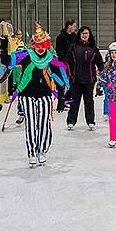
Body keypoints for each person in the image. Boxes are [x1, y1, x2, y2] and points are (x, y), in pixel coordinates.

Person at [8, 22, 69, 167]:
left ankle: (42, 150)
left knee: (43, 124)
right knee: (30, 124)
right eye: (37, 44)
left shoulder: (51, 58)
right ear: (33, 44)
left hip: (45, 95)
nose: (40, 48)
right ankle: (32, 152)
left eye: (43, 44)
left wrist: (61, 96)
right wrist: (5, 43)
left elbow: (59, 76)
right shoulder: (25, 55)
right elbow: (8, 61)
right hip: (27, 95)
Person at [65, 26, 104, 130]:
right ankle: (71, 121)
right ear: (79, 35)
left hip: (89, 80)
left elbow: (100, 63)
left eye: (86, 33)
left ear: (89, 35)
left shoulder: (93, 49)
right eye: (82, 33)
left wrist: (104, 74)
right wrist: (69, 74)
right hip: (75, 80)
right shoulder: (73, 47)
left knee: (89, 101)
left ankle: (90, 121)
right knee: (75, 101)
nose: (84, 35)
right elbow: (67, 61)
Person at [0, 21, 26, 124]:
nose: (19, 36)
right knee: (12, 81)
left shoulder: (22, 44)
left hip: (21, 67)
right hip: (13, 64)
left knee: (20, 84)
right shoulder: (11, 40)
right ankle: (11, 96)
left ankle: (24, 110)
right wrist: (4, 26)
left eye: (20, 34)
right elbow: (5, 38)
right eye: (18, 34)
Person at [55, 19, 77, 112]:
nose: (75, 28)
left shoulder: (75, 37)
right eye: (74, 26)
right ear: (69, 26)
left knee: (72, 82)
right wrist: (64, 61)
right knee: (61, 83)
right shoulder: (60, 37)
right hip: (62, 63)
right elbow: (59, 51)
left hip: (72, 63)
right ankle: (61, 103)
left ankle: (67, 100)